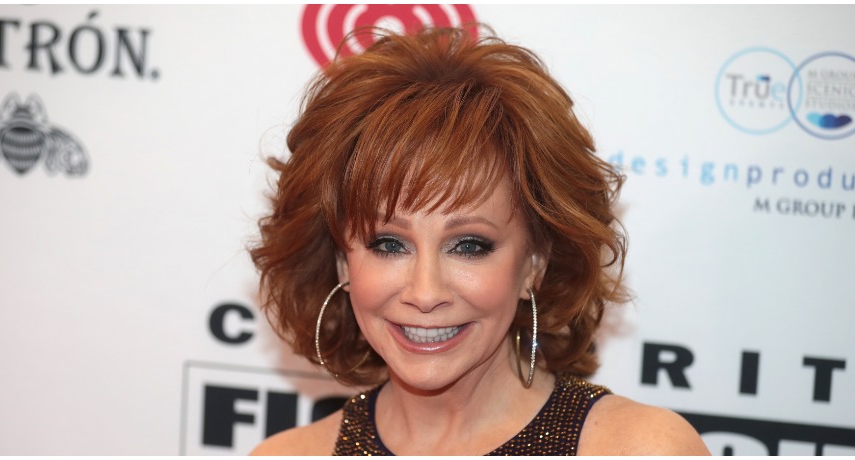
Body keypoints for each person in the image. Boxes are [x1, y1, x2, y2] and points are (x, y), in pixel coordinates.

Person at [250, 25, 709, 456]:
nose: (425, 293)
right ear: (342, 263)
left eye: (469, 245)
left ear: (534, 262)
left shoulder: (638, 448)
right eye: (389, 245)